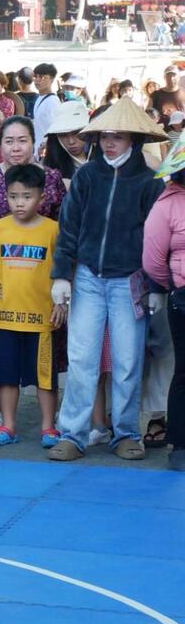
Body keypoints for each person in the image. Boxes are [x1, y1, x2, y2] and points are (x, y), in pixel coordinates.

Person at [49, 98, 166, 462]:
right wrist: (61, 276)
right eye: (104, 136)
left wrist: (155, 285)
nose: (109, 142)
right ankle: (73, 433)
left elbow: (156, 238)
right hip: (86, 277)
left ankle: (127, 432)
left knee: (129, 359)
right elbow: (68, 228)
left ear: (134, 138)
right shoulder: (86, 176)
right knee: (82, 358)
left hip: (129, 280)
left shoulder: (150, 182)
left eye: (117, 136)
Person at [0, 164, 65, 446]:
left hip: (42, 319)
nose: (19, 202)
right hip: (4, 319)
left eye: (27, 196)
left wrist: (62, 302)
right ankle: (8, 425)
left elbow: (66, 268)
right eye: (13, 196)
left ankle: (48, 427)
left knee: (45, 378)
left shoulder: (53, 230)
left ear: (41, 197)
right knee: (5, 376)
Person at [142, 140, 185, 471]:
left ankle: (180, 446)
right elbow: (153, 259)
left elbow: (154, 259)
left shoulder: (166, 202)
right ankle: (181, 446)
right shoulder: (167, 202)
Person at [43, 101, 93, 185]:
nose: (71, 141)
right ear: (56, 137)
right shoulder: (50, 170)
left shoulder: (107, 158)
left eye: (76, 133)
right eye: (63, 135)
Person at [31, 63, 61, 154]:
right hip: (38, 149)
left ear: (51, 79)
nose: (37, 80)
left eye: (42, 77)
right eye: (35, 77)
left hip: (46, 151)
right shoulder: (39, 97)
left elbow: (56, 129)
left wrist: (46, 146)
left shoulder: (52, 101)